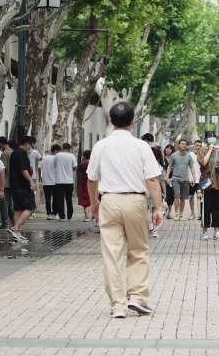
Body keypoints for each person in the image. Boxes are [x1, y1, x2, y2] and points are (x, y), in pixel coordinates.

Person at [87, 102, 164, 319]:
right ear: (132, 122)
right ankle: (137, 297)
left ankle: (118, 305)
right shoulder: (142, 147)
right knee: (138, 250)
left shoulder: (101, 146)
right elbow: (152, 179)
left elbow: (91, 179)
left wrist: (95, 203)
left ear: (111, 120)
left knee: (112, 254)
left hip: (109, 200)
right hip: (135, 201)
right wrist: (159, 208)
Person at [197, 131, 219, 240]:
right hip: (206, 184)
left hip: (218, 184)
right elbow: (203, 163)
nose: (212, 138)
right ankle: (204, 231)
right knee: (206, 208)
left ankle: (216, 231)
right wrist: (209, 150)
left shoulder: (218, 151)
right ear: (206, 139)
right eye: (210, 136)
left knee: (218, 208)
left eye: (214, 136)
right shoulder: (202, 150)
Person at [8, 136, 35, 242]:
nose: (31, 147)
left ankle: (17, 233)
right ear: (26, 143)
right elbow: (24, 170)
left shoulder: (14, 153)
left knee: (18, 209)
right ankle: (15, 228)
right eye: (30, 144)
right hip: (22, 186)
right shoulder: (21, 153)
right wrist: (31, 181)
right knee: (30, 207)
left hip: (14, 185)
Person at [166, 139, 196, 221]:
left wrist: (194, 177)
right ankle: (176, 214)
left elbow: (192, 167)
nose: (184, 145)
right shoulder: (174, 155)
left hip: (185, 180)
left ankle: (181, 215)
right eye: (182, 144)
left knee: (183, 198)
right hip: (175, 179)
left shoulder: (189, 156)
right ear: (178, 145)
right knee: (176, 196)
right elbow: (169, 166)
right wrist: (167, 177)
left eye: (185, 144)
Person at [54, 143, 77, 221]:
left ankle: (62, 216)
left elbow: (54, 165)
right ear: (69, 148)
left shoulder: (57, 155)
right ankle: (69, 216)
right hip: (69, 181)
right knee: (69, 199)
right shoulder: (72, 156)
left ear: (62, 148)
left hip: (59, 181)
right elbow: (75, 167)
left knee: (60, 199)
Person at [0, 137, 14, 228]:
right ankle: (13, 222)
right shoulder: (14, 152)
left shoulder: (4, 154)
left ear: (1, 143)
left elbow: (2, 169)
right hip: (14, 182)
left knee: (4, 204)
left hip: (6, 182)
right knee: (11, 203)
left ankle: (5, 223)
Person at [41, 146, 58, 220]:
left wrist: (41, 177)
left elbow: (39, 168)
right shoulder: (56, 158)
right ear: (55, 151)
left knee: (48, 199)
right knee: (55, 198)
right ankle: (55, 213)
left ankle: (49, 214)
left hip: (46, 181)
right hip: (55, 181)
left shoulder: (44, 158)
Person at [187, 140, 202, 220]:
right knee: (191, 197)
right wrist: (189, 178)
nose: (198, 147)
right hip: (191, 180)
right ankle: (192, 213)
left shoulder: (203, 155)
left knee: (199, 196)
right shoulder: (189, 155)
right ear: (194, 146)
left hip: (200, 180)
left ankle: (200, 213)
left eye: (200, 146)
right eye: (197, 145)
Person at [77, 150, 92, 221]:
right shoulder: (93, 163)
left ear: (84, 156)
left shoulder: (82, 164)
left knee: (85, 200)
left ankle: (86, 216)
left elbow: (78, 174)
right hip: (92, 183)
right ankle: (94, 215)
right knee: (92, 199)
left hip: (84, 183)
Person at [163, 144, 175, 219]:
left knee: (171, 197)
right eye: (167, 148)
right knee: (164, 196)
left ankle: (169, 213)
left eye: (170, 149)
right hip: (163, 180)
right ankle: (163, 211)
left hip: (172, 179)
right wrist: (165, 178)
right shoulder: (162, 158)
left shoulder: (173, 158)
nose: (168, 150)